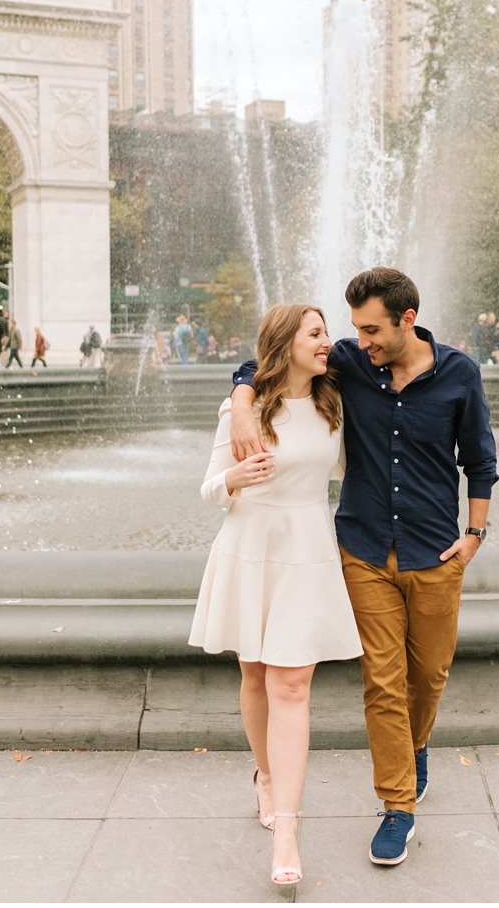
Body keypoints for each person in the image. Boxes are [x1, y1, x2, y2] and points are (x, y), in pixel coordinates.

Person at [228, 267, 497, 868]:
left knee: (427, 677)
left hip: (435, 550)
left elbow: (480, 460)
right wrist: (243, 406)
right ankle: (397, 807)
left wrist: (474, 535)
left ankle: (416, 745)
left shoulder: (459, 374)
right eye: (355, 330)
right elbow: (266, 361)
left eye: (371, 329)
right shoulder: (351, 363)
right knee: (382, 681)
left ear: (408, 319)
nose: (360, 340)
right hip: (363, 549)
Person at [189, 303, 362, 887]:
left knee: (292, 682)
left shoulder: (334, 403)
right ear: (286, 341)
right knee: (257, 674)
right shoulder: (242, 409)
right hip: (248, 545)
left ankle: (287, 826)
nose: (327, 342)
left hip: (307, 545)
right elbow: (210, 488)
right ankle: (264, 775)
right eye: (315, 334)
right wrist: (230, 480)